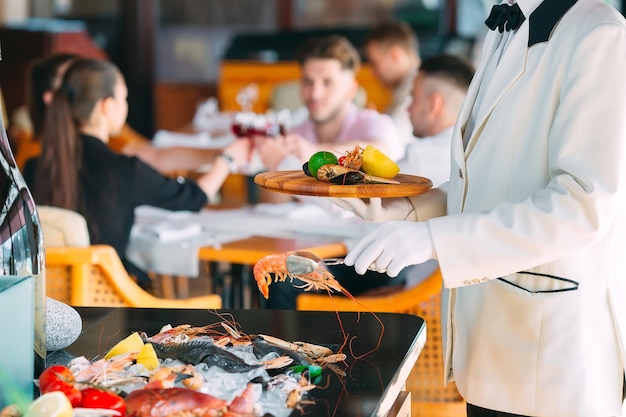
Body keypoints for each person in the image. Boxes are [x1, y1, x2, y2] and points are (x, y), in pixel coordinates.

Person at [332, 0, 626, 415]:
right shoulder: (499, 33)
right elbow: (484, 183)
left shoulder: (600, 33)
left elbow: (581, 205)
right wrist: (405, 212)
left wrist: (432, 239)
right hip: (489, 350)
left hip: (550, 360)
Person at [23, 58, 251, 288]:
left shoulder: (34, 167)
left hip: (48, 298)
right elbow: (193, 197)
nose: (126, 105)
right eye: (124, 98)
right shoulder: (122, 170)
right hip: (107, 300)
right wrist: (228, 159)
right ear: (107, 106)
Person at [15, 53, 223, 175]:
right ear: (52, 99)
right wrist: (226, 159)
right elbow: (154, 157)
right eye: (71, 84)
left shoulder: (104, 130)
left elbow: (152, 149)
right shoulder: (34, 160)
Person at [255, 34, 404, 173]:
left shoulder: (377, 125)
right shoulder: (295, 136)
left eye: (328, 82)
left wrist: (315, 153)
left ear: (351, 89)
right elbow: (275, 201)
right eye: (308, 82)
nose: (315, 94)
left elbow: (383, 153)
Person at [397, 53, 475, 187]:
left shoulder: (419, 158)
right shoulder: (478, 153)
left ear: (434, 104)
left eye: (414, 98)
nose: (408, 109)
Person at [364, 21, 421, 147]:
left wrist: (373, 123)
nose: (373, 73)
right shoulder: (408, 88)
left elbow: (392, 142)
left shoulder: (418, 91)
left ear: (395, 55)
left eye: (375, 63)